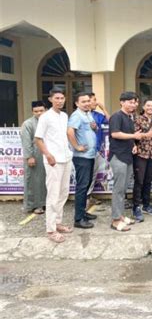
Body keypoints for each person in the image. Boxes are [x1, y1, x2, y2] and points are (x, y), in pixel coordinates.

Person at [35, 88, 73, 243]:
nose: (60, 100)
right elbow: (38, 139)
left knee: (64, 193)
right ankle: (50, 230)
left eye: (62, 97)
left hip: (66, 158)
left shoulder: (64, 116)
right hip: (53, 160)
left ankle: (58, 222)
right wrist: (48, 155)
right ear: (50, 99)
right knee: (53, 195)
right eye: (57, 98)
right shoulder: (45, 117)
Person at [109, 92, 144, 231]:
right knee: (118, 189)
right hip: (118, 156)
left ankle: (121, 216)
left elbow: (128, 137)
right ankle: (115, 220)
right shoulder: (116, 116)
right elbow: (115, 134)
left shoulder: (129, 118)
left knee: (123, 189)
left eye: (135, 102)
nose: (133, 104)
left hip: (128, 155)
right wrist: (134, 136)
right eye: (130, 102)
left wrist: (134, 145)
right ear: (122, 102)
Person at [67, 92, 97, 229]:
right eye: (83, 101)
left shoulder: (87, 114)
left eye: (88, 101)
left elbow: (90, 129)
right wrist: (76, 146)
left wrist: (94, 128)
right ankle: (78, 219)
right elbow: (70, 132)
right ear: (77, 103)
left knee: (86, 185)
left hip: (90, 155)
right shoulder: (76, 115)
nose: (86, 103)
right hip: (82, 158)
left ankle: (83, 212)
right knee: (82, 186)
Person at [132, 99, 152, 221]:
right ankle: (136, 206)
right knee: (139, 181)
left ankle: (146, 204)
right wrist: (145, 136)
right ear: (143, 107)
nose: (150, 107)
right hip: (140, 154)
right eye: (148, 105)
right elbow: (133, 136)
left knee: (148, 181)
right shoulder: (137, 119)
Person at [20, 101, 47, 215]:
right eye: (36, 111)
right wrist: (29, 157)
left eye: (41, 110)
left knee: (45, 180)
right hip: (34, 155)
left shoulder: (48, 122)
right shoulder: (28, 124)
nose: (39, 113)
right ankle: (33, 205)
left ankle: (44, 203)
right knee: (33, 180)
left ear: (45, 110)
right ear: (32, 112)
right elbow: (26, 142)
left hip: (47, 154)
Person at [86, 92, 110, 208]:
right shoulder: (80, 115)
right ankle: (84, 198)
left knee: (94, 174)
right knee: (86, 175)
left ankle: (89, 196)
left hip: (96, 149)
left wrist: (103, 108)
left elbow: (109, 120)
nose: (96, 102)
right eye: (94, 100)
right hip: (85, 151)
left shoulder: (97, 115)